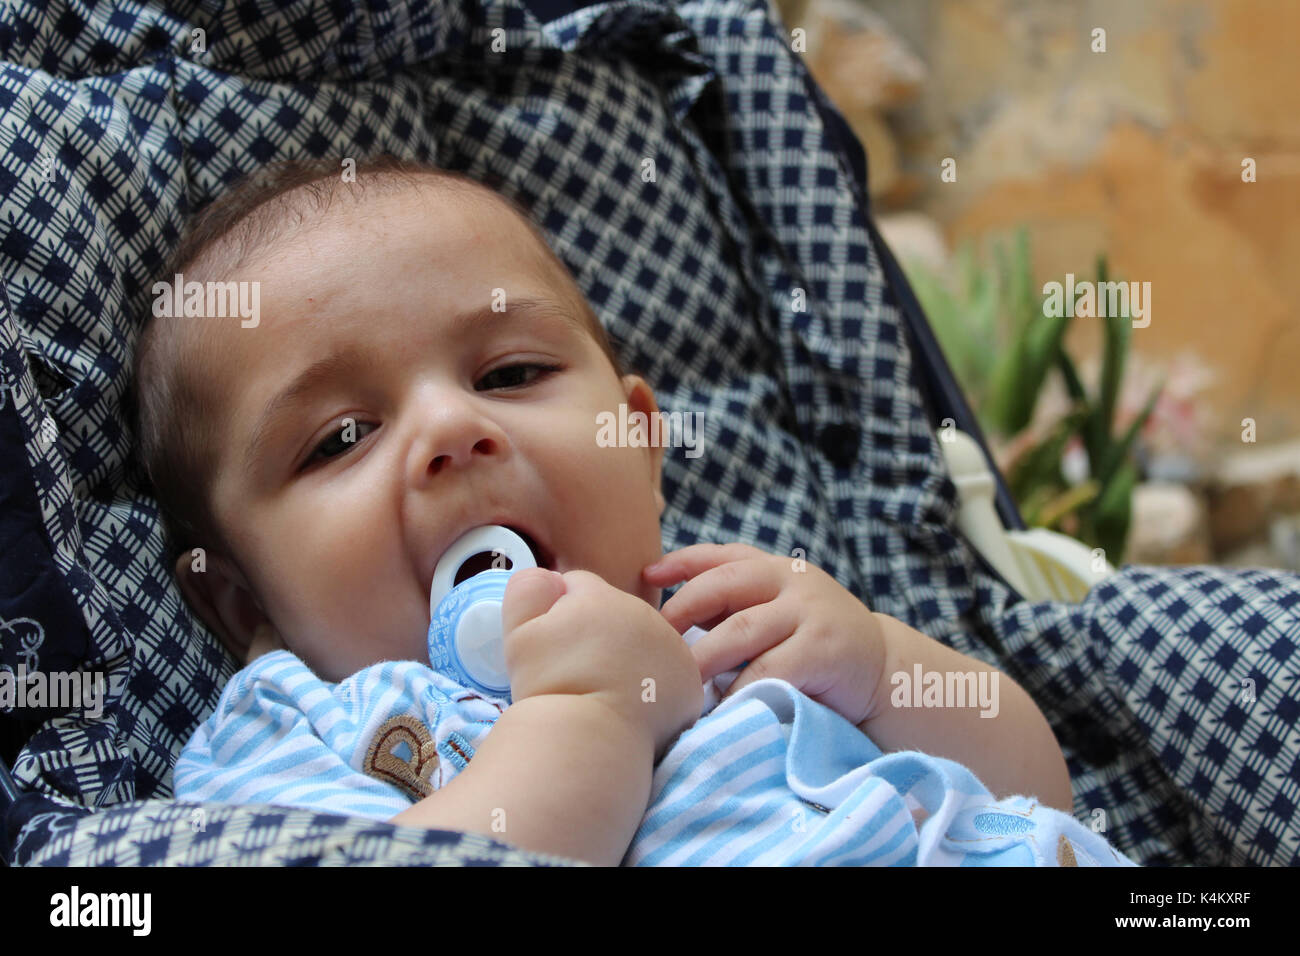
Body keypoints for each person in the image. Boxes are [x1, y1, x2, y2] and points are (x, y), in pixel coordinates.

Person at [133, 156, 1133, 866]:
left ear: (641, 444)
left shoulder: (731, 623)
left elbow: (1037, 795)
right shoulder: (296, 730)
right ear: (238, 604)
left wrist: (877, 665)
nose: (451, 426)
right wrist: (589, 716)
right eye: (341, 437)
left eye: (512, 370)